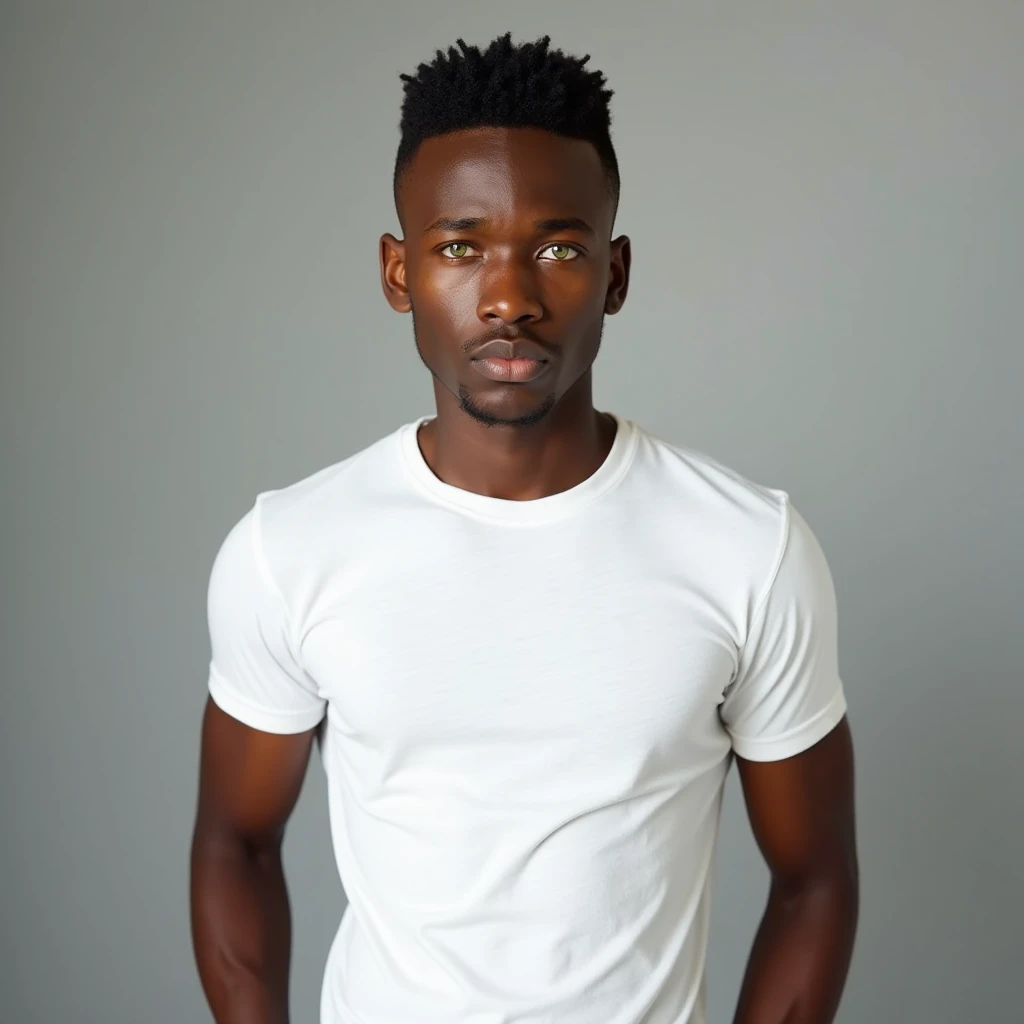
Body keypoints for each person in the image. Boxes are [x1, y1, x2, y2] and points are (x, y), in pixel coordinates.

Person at [189, 32, 858, 1024]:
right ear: (397, 271)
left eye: (557, 247)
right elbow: (232, 843)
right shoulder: (290, 549)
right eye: (459, 247)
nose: (509, 298)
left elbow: (816, 880)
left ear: (616, 274)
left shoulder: (747, 549)